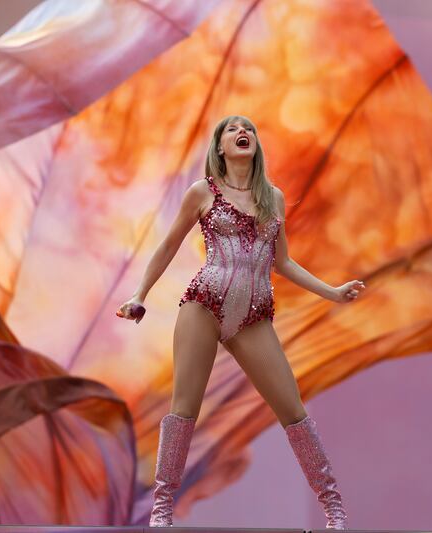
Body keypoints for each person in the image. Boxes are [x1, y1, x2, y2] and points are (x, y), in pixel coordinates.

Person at [116, 115, 365, 529]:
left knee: (293, 410)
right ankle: (161, 510)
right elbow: (168, 245)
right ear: (220, 147)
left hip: (253, 315)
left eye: (247, 127)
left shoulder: (274, 198)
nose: (241, 131)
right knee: (185, 408)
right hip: (204, 305)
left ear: (255, 144)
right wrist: (139, 295)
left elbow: (281, 261)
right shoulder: (203, 192)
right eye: (231, 129)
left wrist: (333, 292)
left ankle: (334, 509)